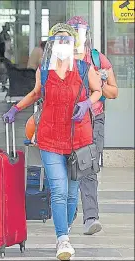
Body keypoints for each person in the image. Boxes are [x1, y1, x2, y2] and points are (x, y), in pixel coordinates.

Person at [3, 23, 102, 260]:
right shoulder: (44, 70)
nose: (62, 44)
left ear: (73, 44)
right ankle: (62, 240)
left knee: (71, 195)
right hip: (49, 138)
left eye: (67, 40)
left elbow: (97, 90)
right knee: (58, 191)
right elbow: (36, 93)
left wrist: (87, 103)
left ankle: (64, 228)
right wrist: (15, 109)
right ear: (51, 44)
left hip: (79, 141)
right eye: (58, 40)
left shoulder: (83, 67)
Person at [66, 16, 118, 235]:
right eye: (75, 31)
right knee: (66, 167)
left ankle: (90, 217)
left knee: (88, 167)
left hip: (94, 119)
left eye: (83, 31)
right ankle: (69, 211)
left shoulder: (97, 58)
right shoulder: (61, 57)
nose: (80, 35)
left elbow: (113, 92)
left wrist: (99, 81)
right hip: (67, 120)